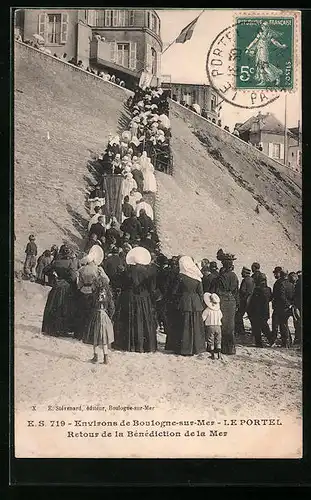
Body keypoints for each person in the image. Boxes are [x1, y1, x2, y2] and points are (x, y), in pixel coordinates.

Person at [113, 247, 157, 352]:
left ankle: (127, 344)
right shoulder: (147, 272)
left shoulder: (127, 271)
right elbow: (151, 288)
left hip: (128, 297)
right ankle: (143, 345)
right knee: (143, 320)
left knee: (127, 320)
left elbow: (120, 284)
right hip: (143, 298)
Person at [170, 256, 205, 356]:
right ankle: (197, 348)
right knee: (196, 326)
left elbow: (174, 291)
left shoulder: (181, 276)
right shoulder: (197, 276)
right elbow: (201, 293)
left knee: (184, 326)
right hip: (195, 302)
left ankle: (184, 349)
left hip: (184, 301)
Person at [41, 247, 78, 336]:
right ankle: (61, 329)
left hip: (56, 286)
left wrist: (54, 275)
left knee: (52, 306)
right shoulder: (70, 263)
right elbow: (73, 277)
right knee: (63, 308)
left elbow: (45, 270)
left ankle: (49, 328)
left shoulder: (56, 262)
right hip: (65, 287)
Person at [76, 246, 110, 342]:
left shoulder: (81, 269)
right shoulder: (98, 269)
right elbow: (107, 280)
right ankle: (90, 334)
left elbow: (78, 284)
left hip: (83, 291)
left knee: (83, 313)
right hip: (93, 291)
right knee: (92, 313)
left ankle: (81, 333)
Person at [211, 252, 239, 355]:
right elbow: (236, 291)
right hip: (232, 301)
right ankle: (231, 349)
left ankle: (224, 348)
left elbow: (217, 291)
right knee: (230, 326)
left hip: (223, 300)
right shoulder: (234, 276)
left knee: (223, 324)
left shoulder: (221, 277)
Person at [247, 272, 272, 347]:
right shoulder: (268, 289)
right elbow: (270, 298)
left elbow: (253, 302)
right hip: (265, 311)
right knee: (265, 327)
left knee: (256, 328)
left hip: (257, 312)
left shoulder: (257, 290)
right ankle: (271, 339)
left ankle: (259, 343)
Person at [271, 267, 294, 348]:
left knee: (276, 325)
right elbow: (292, 296)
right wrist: (289, 304)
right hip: (287, 308)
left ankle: (274, 341)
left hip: (279, 307)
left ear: (281, 274)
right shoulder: (290, 284)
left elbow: (281, 296)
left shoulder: (279, 283)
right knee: (284, 324)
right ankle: (288, 343)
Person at [202, 293, 223, 359]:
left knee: (210, 339)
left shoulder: (207, 310)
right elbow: (221, 316)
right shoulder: (218, 310)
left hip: (210, 326)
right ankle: (219, 353)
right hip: (218, 326)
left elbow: (203, 318)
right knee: (218, 339)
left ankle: (212, 354)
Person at [235, 267, 254, 336]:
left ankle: (241, 331)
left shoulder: (245, 280)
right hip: (250, 301)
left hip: (244, 301)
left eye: (242, 272)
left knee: (238, 316)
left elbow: (242, 290)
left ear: (245, 273)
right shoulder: (252, 279)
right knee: (251, 318)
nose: (241, 273)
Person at [293, 271, 302, 345]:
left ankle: (298, 339)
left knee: (298, 322)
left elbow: (296, 295)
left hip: (299, 305)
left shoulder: (298, 283)